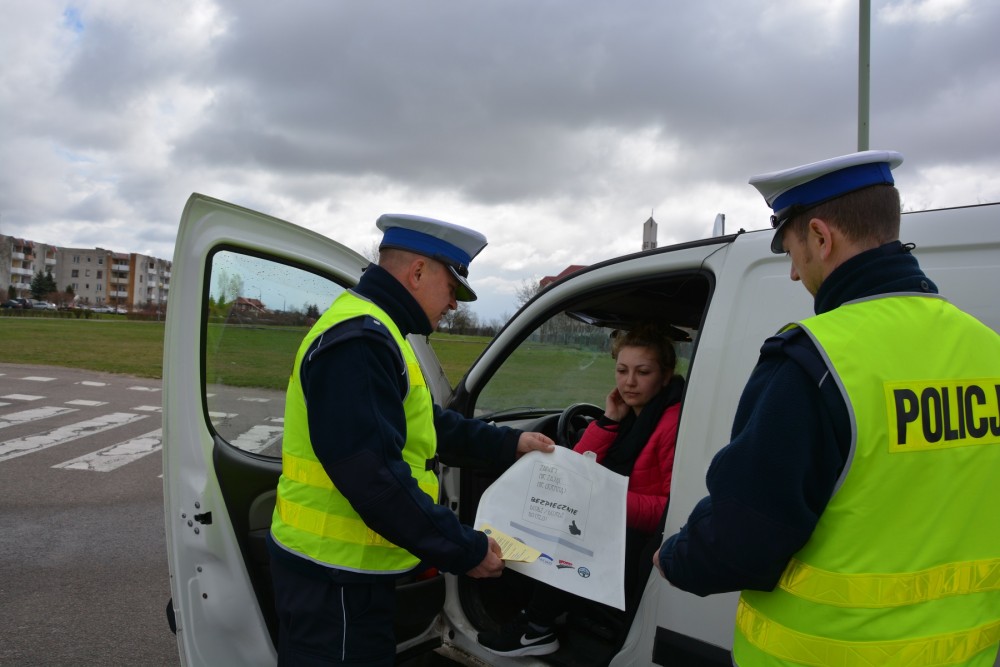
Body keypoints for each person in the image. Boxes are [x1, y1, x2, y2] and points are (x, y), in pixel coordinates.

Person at [654, 150, 1000, 666]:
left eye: (791, 251)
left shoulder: (812, 361)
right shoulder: (988, 350)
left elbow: (742, 538)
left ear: (820, 237)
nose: (795, 273)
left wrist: (675, 557)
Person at [268, 213, 556, 666]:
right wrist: (465, 550)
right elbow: (375, 479)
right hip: (335, 582)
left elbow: (425, 424)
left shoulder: (378, 330)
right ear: (417, 272)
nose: (454, 304)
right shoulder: (360, 341)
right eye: (452, 288)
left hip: (345, 575)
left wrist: (508, 444)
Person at [479, 323, 684, 657]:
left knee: (563, 533)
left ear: (665, 376)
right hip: (619, 526)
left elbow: (672, 508)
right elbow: (577, 468)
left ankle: (536, 628)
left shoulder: (670, 423)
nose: (629, 382)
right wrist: (609, 420)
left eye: (643, 372)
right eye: (622, 370)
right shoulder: (634, 416)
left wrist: (607, 502)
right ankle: (536, 617)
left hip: (640, 540)